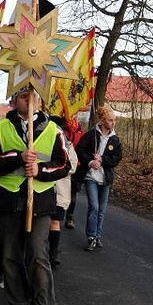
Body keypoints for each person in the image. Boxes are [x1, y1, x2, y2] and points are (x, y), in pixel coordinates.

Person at [0, 87, 71, 305]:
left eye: (34, 96)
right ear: (13, 101)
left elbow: (64, 164)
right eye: (24, 96)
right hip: (9, 200)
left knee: (38, 255)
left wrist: (40, 171)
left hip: (40, 202)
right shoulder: (0, 127)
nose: (30, 100)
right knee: (10, 255)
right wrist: (17, 157)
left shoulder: (52, 129)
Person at [75, 104, 123, 251]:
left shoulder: (115, 140)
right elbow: (79, 150)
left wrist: (102, 159)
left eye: (114, 120)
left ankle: (97, 236)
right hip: (91, 177)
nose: (113, 123)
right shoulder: (91, 135)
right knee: (94, 207)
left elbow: (116, 159)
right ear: (102, 120)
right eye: (110, 120)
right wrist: (90, 161)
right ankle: (90, 237)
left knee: (102, 209)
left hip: (106, 179)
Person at [47, 116, 78, 268]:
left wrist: (54, 167)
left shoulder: (68, 146)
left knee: (55, 221)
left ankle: (53, 254)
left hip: (59, 190)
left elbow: (72, 166)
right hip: (43, 190)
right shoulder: (42, 142)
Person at [64, 116, 85, 229]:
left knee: (73, 193)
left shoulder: (80, 131)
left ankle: (70, 217)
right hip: (62, 165)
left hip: (76, 166)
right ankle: (54, 218)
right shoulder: (60, 127)